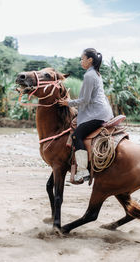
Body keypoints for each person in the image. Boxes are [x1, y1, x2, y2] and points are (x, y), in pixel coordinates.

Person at [59, 48, 114, 183]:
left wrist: (68, 103)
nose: (81, 61)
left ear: (90, 60)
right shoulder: (96, 74)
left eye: (82, 59)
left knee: (76, 135)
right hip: (102, 111)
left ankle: (83, 170)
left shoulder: (89, 76)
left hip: (97, 113)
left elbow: (85, 100)